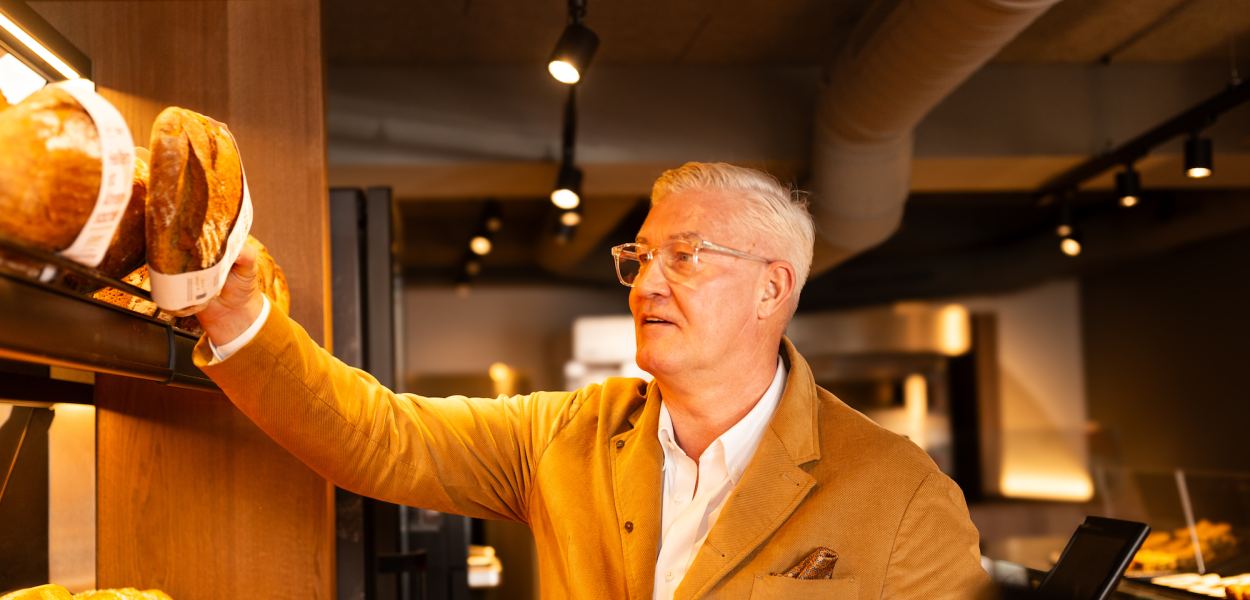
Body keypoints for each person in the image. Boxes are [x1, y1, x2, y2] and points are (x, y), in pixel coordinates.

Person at [194, 162, 990, 599]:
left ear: (771, 288)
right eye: (640, 259)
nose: (646, 286)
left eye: (685, 257)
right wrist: (239, 318)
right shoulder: (566, 434)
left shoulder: (899, 494)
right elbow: (378, 437)